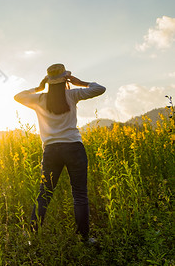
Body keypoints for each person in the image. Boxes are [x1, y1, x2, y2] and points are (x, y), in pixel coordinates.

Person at [14, 63, 106, 243]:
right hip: (73, 147)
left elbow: (18, 96)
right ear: (65, 79)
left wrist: (38, 87)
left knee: (45, 193)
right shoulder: (72, 94)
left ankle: (32, 235)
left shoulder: (39, 99)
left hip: (51, 150)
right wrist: (81, 82)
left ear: (48, 81)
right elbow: (100, 89)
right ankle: (84, 238)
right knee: (79, 194)